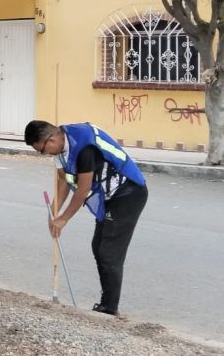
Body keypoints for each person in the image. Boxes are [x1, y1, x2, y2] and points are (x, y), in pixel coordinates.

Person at [24, 120, 149, 316]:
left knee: (108, 251)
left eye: (43, 150)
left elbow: (82, 190)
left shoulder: (84, 147)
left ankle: (109, 308)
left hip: (128, 193)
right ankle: (106, 302)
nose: (45, 154)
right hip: (110, 196)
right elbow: (65, 180)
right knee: (98, 245)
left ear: (52, 139)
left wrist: (63, 219)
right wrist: (54, 212)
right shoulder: (60, 149)